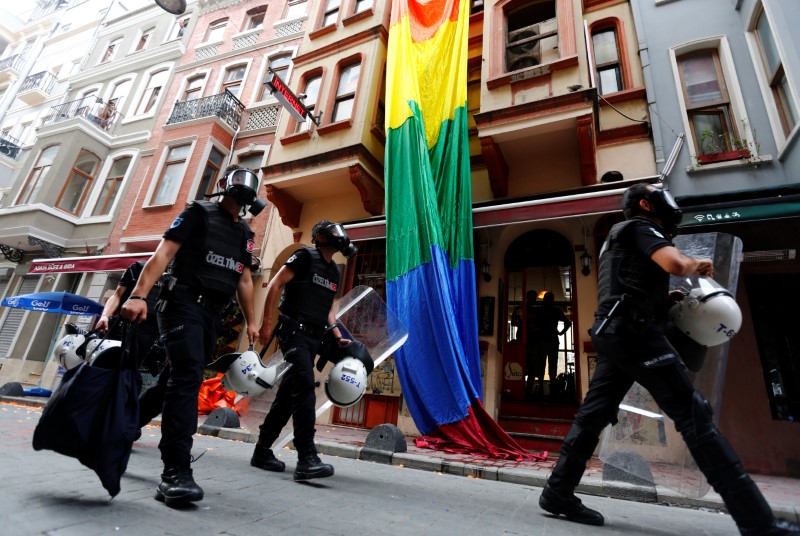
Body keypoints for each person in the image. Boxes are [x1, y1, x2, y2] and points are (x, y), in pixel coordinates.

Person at [538, 183, 800, 535]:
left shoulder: (616, 237)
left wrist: (663, 298)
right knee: (694, 415)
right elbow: (674, 262)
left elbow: (628, 284)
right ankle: (759, 522)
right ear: (646, 204)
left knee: (592, 416)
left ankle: (557, 492)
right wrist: (695, 264)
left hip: (613, 332)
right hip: (634, 334)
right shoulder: (641, 227)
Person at [121, 165, 265, 506]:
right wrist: (139, 295)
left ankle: (125, 427)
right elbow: (164, 253)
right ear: (224, 185)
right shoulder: (197, 213)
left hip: (211, 314)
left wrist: (252, 322)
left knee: (175, 376)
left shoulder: (244, 233)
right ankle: (175, 472)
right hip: (181, 304)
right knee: (186, 377)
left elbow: (243, 280)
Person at [251, 220, 356, 481]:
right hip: (293, 331)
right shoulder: (304, 256)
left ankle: (262, 450)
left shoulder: (334, 271)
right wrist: (267, 324)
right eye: (332, 231)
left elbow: (329, 307)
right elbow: (275, 284)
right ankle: (306, 457)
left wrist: (336, 333)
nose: (338, 235)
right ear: (319, 237)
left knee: (288, 394)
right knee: (305, 386)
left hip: (313, 336)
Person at [526, 290, 571, 399]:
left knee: (541, 365)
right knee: (552, 366)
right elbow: (568, 323)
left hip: (541, 341)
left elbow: (528, 314)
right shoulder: (556, 311)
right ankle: (552, 391)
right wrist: (560, 332)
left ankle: (541, 388)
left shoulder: (540, 310)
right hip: (553, 340)